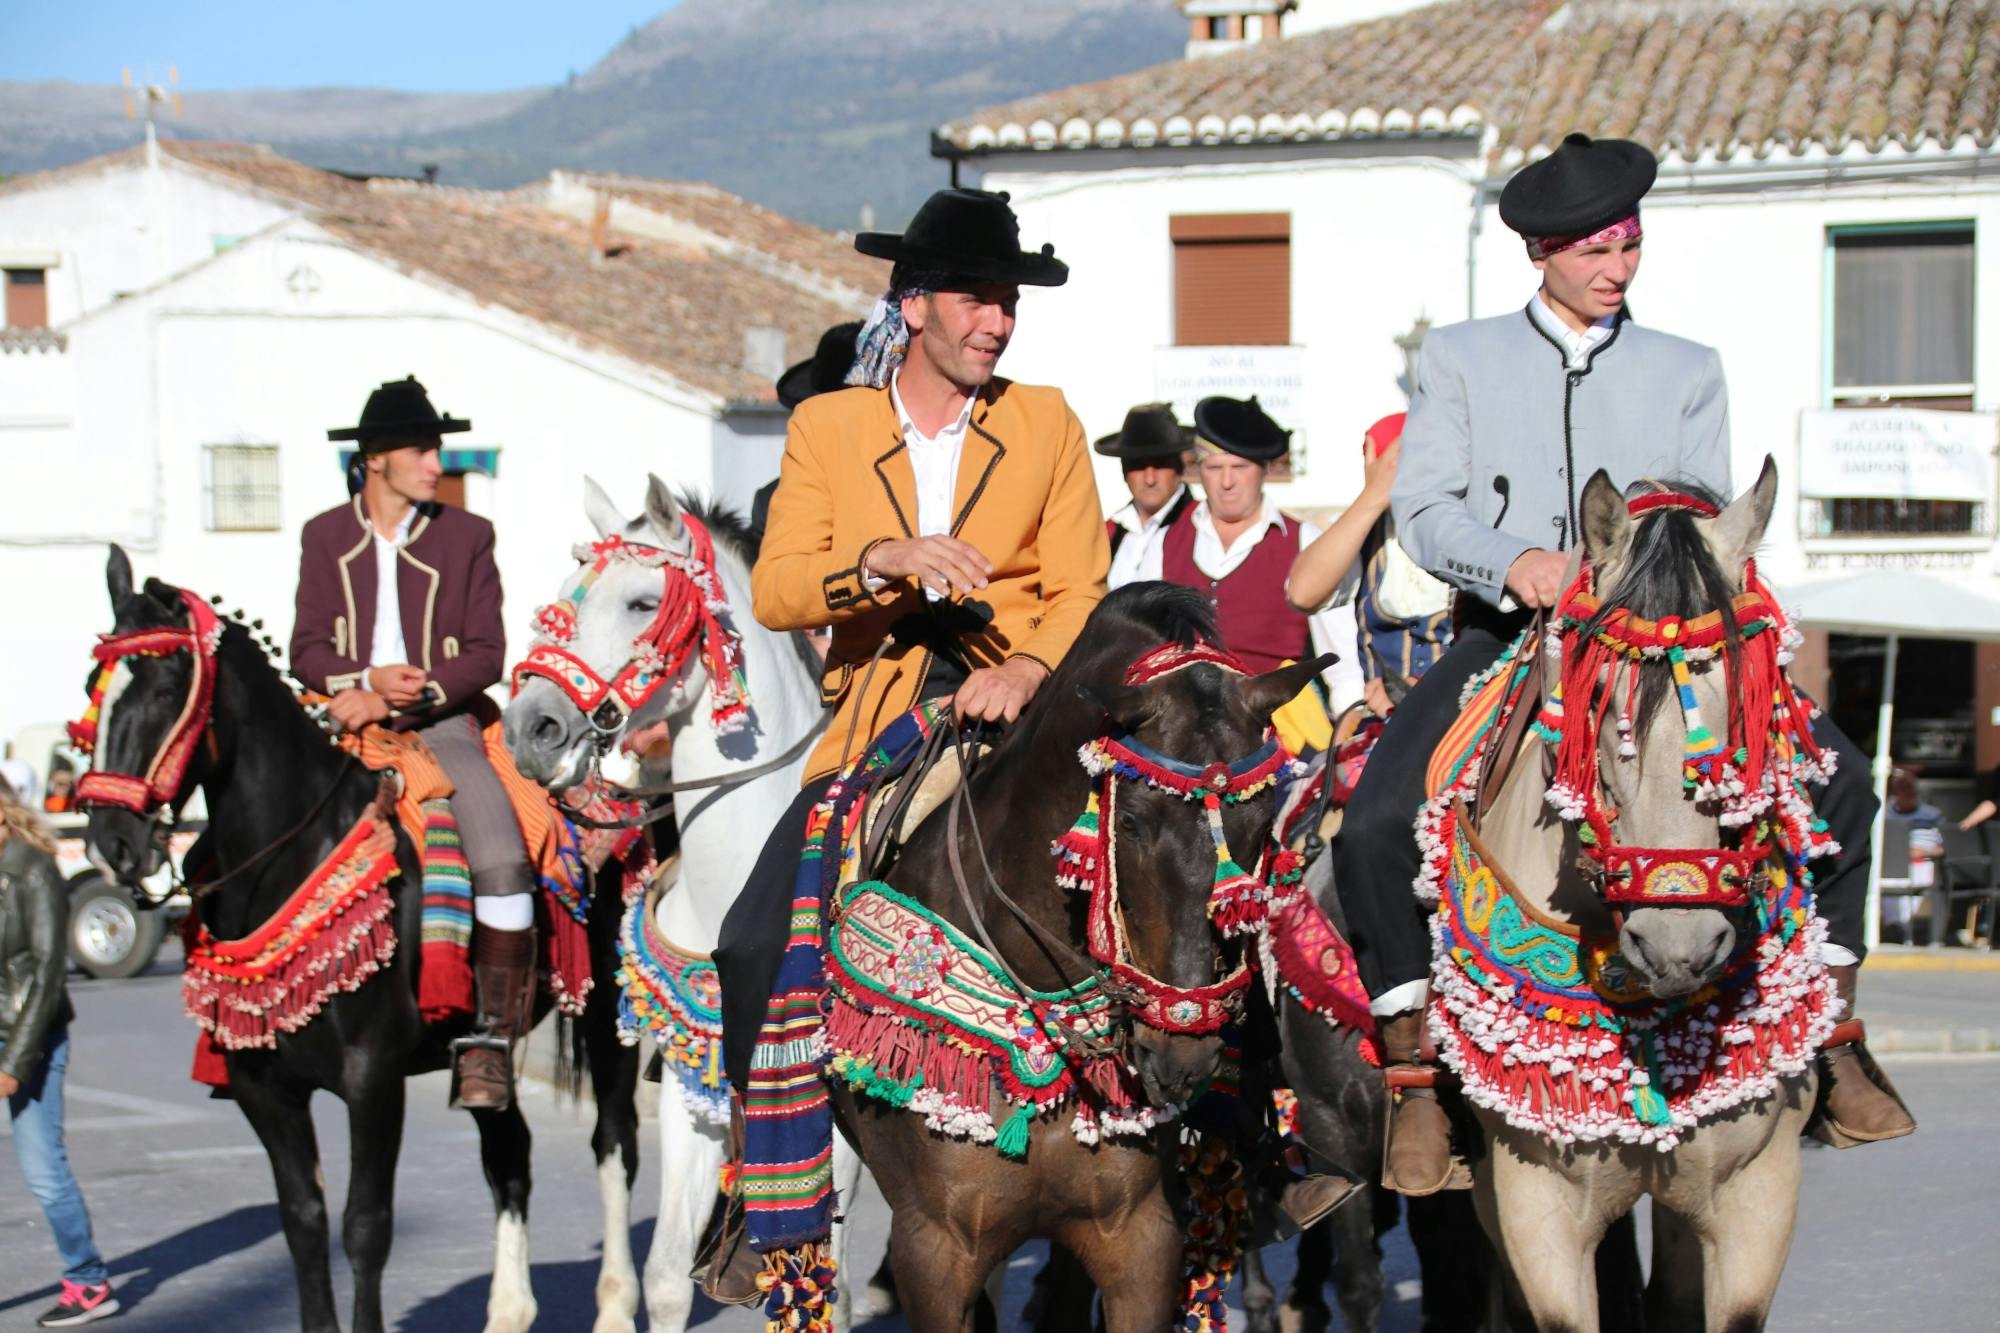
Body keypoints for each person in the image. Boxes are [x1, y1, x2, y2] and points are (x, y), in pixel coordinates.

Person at [1333, 133, 1909, 1194]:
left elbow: (1695, 510)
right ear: (1540, 253)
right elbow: (1420, 509)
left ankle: (1831, 1029)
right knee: (1371, 820)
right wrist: (1518, 563)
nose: (1616, 266)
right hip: (1506, 630)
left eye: (1628, 244)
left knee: (1838, 777)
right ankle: (1413, 1072)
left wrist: (1651, 563)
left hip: (1659, 640)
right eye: (1595, 248)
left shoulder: (1687, 368)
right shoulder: (1456, 356)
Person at [715, 186, 1108, 1096]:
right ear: (914, 302)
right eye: (979, 297)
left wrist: (1027, 666)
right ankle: (768, 1187)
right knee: (749, 946)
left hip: (1027, 711)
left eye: (1010, 302)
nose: (1000, 322)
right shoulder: (828, 425)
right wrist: (879, 560)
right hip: (874, 722)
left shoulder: (1047, 419)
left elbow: (1082, 585)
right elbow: (775, 590)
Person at [292, 376, 533, 1112]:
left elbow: (487, 652)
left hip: (442, 723)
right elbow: (305, 646)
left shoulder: (468, 535)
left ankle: (490, 1038)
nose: (436, 463)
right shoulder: (323, 535)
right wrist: (360, 683)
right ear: (375, 459)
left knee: (502, 856)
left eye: (436, 448)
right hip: (343, 718)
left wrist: (414, 690)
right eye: (422, 449)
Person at [1139, 395, 1363, 726]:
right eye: (1214, 468)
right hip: (1179, 727)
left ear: (1263, 471)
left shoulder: (1306, 542)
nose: (1227, 482)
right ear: (1199, 471)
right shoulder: (1163, 540)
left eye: (1239, 467)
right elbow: (1140, 644)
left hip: (1274, 727)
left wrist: (1348, 726)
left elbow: (1341, 661)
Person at [1, 775, 119, 1326]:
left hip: (29, 1040)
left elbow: (47, 976)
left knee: (44, 1170)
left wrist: (14, 1064)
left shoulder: (31, 868)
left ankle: (89, 1282)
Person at [1285, 412, 1451, 719]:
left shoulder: (1472, 529)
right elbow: (1302, 593)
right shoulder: (1365, 534)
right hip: (1386, 721)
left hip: (1469, 719)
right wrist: (1372, 497)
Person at [1097, 402, 1194, 590]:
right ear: (1124, 472)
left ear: (1179, 468)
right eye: (1139, 465)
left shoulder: (1204, 525)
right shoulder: (1106, 532)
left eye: (1160, 464)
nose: (1150, 479)